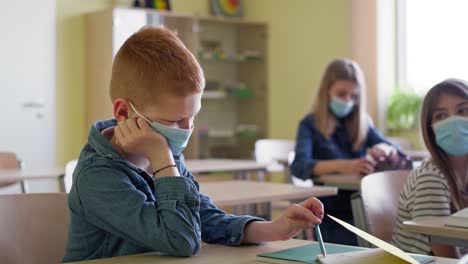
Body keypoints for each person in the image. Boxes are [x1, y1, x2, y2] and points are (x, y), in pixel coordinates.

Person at [62, 26, 324, 262]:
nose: (188, 129)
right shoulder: (97, 177)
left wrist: (274, 229)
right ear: (123, 113)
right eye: (175, 120)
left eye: (193, 116)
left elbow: (202, 218)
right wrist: (162, 159)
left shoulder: (165, 152)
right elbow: (182, 240)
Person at [291, 58, 401, 246]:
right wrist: (345, 165)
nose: (347, 101)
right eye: (341, 94)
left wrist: (384, 150)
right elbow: (299, 166)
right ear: (326, 91)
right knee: (379, 243)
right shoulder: (309, 125)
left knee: (399, 237)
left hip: (366, 210)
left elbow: (395, 151)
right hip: (329, 216)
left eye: (353, 96)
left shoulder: (361, 123)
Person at [392, 79, 468, 258]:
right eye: (441, 116)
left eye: (463, 110)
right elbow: (447, 259)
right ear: (430, 128)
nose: (454, 121)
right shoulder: (430, 178)